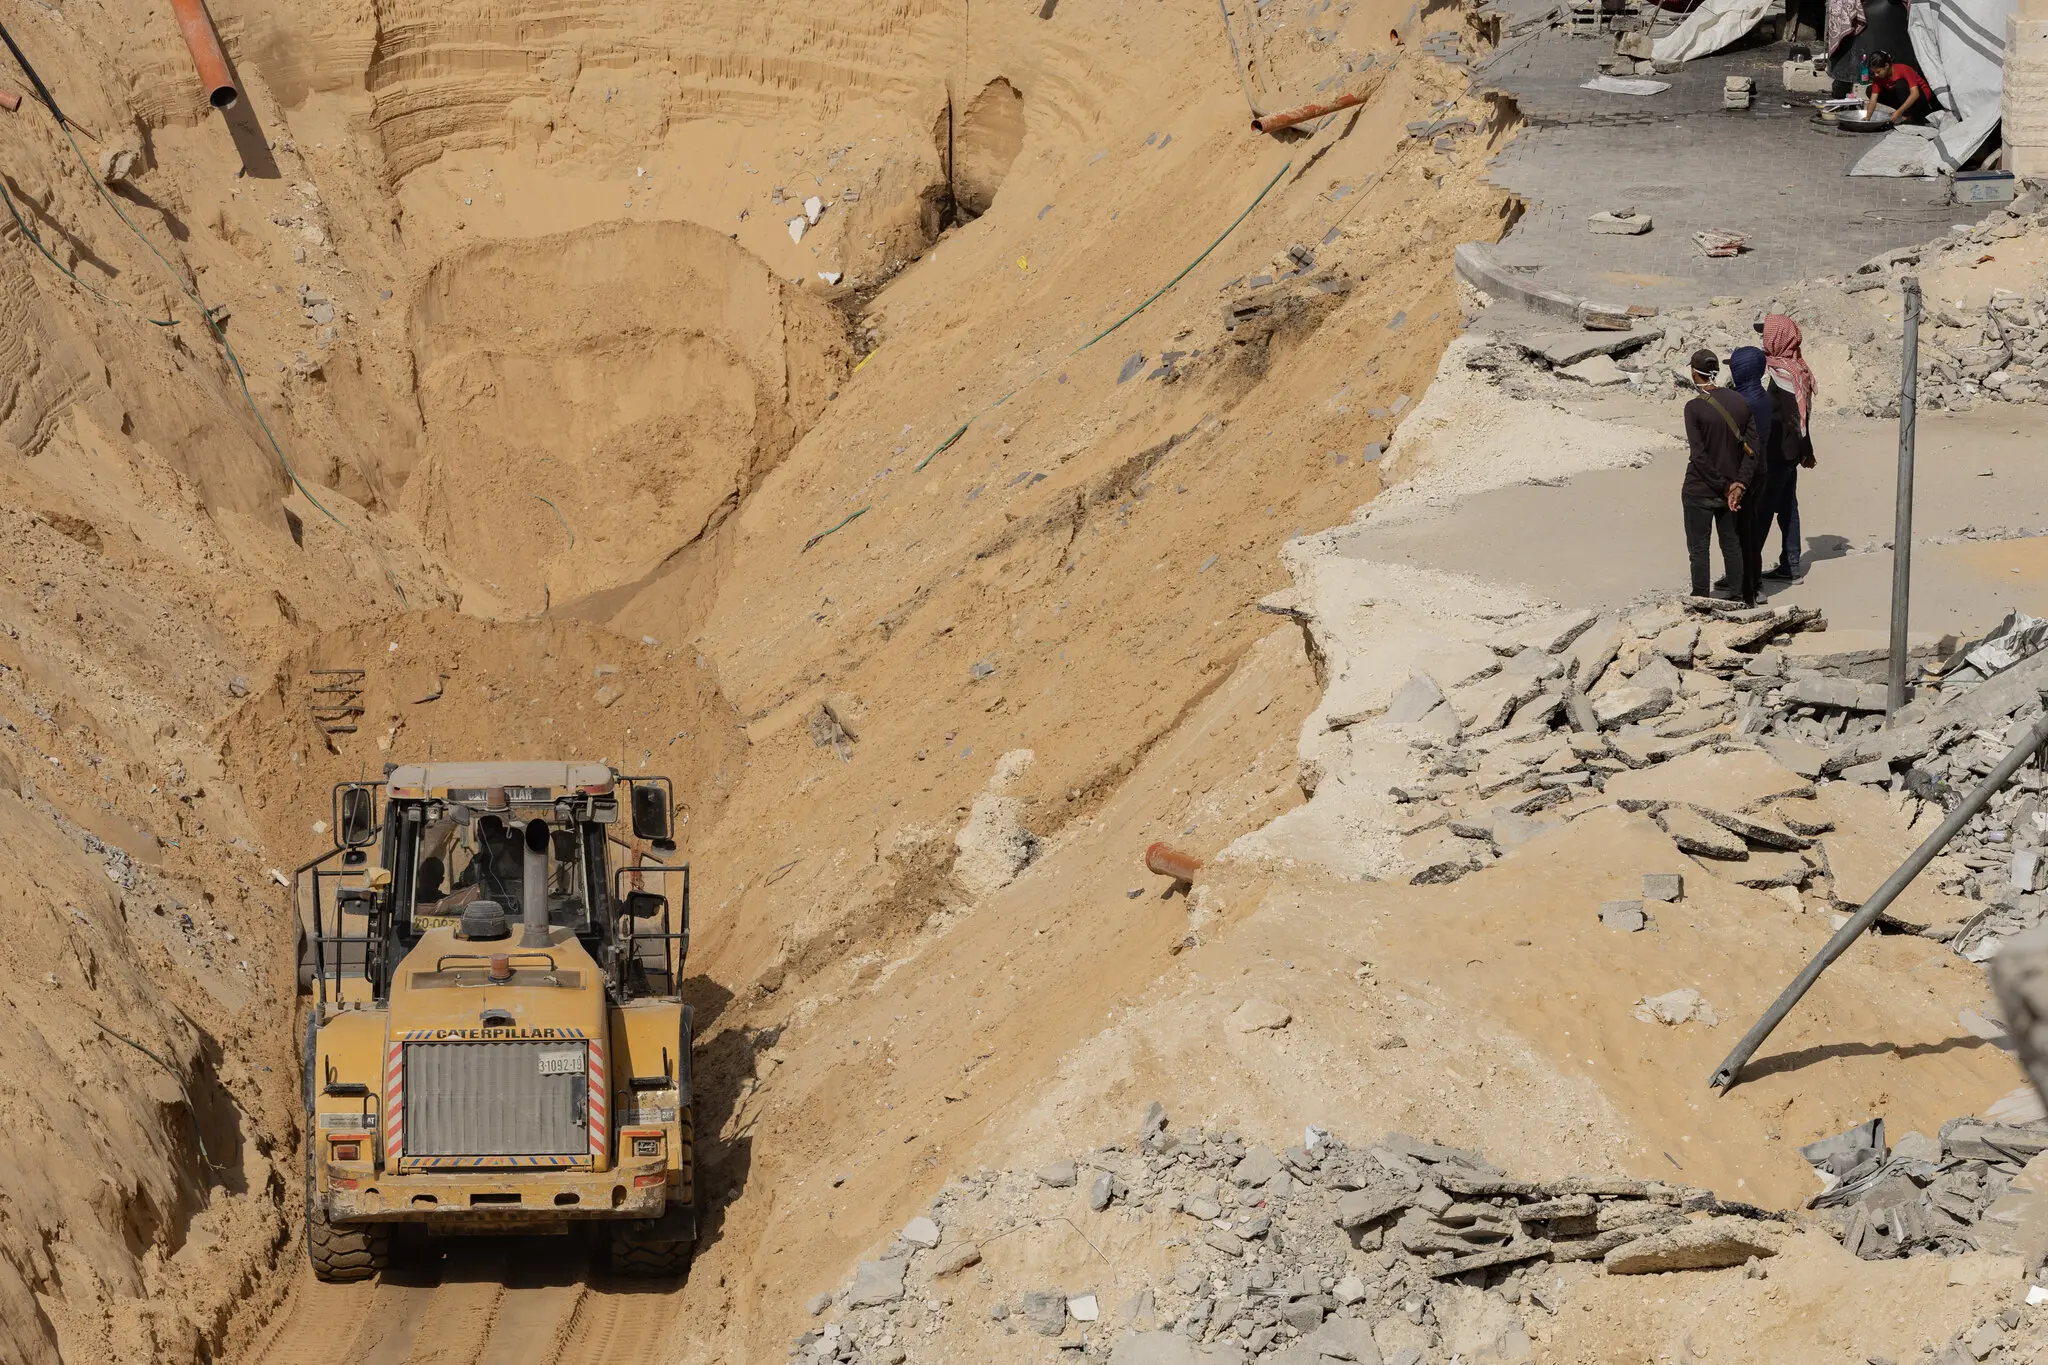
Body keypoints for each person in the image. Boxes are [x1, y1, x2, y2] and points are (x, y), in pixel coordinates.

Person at [1681, 349, 1760, 600]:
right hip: (1732, 492)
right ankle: (1737, 596)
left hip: (1700, 489)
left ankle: (1701, 597)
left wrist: (1724, 486)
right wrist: (1739, 484)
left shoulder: (1693, 407)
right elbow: (1753, 448)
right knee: (1732, 545)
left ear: (1694, 373)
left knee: (1699, 548)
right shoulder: (1739, 401)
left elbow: (1699, 456)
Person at [1760, 313, 1819, 579]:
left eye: (1766, 335)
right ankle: (1791, 564)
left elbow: (1797, 419)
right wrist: (1804, 450)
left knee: (1763, 509)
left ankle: (1747, 569)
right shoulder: (1796, 368)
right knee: (1787, 508)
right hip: (1789, 453)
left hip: (1779, 454)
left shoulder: (1784, 375)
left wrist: (1806, 451)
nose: (1763, 339)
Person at [1728, 347, 1775, 605]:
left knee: (1741, 535)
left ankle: (1749, 586)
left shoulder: (1743, 402)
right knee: (1750, 531)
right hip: (1761, 470)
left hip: (1745, 475)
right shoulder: (1762, 396)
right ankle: (1751, 582)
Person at [1863, 50, 1938, 122]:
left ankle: (1914, 114)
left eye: (1878, 71)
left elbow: (1915, 94)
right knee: (1870, 90)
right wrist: (1867, 118)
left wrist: (1898, 112)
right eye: (1874, 72)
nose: (1876, 75)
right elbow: (1873, 99)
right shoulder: (1878, 78)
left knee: (1900, 83)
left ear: (1886, 65)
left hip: (1922, 99)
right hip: (1902, 96)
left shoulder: (1903, 69)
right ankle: (1906, 112)